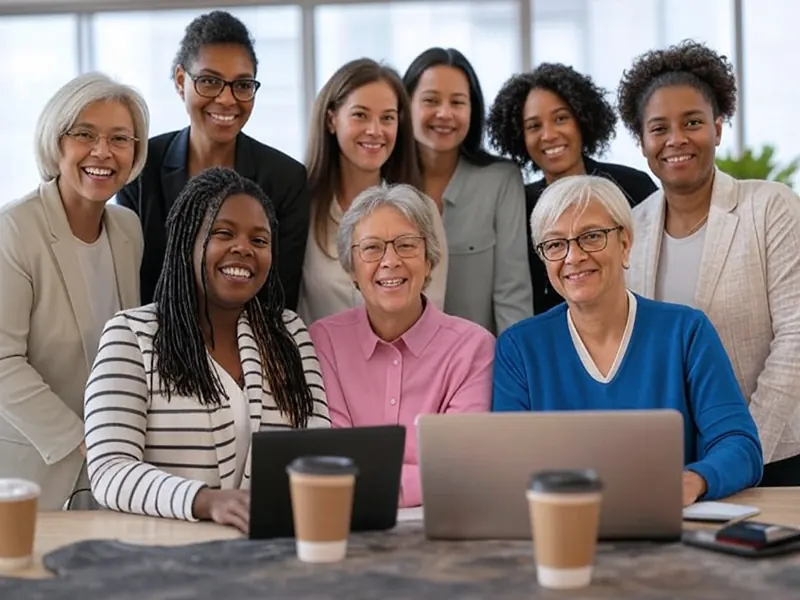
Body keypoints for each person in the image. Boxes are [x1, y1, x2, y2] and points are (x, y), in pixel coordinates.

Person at [84, 167, 330, 533]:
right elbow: (110, 469)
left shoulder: (290, 334)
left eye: (259, 241)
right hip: (162, 557)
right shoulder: (132, 335)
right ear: (187, 244)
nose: (244, 248)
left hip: (270, 551)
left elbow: (318, 453)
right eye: (223, 233)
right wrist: (206, 502)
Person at [492, 175, 763, 505]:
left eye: (591, 237)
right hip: (561, 523)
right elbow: (508, 466)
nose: (573, 257)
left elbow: (739, 444)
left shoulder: (687, 331)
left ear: (625, 242)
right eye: (555, 244)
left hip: (668, 525)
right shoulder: (519, 349)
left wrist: (694, 481)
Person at [618, 40, 800, 486]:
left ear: (718, 128)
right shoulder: (631, 229)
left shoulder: (770, 207)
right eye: (659, 128)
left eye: (693, 122)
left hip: (776, 457)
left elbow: (796, 339)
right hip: (676, 469)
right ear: (642, 142)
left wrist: (738, 453)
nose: (676, 139)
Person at [0, 72, 148, 510]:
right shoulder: (14, 230)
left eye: (120, 138)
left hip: (113, 472)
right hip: (34, 469)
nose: (103, 151)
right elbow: (2, 364)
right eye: (84, 134)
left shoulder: (128, 228)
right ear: (56, 142)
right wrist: (86, 441)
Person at [309, 183, 494, 508]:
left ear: (429, 261)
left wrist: (372, 485)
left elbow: (460, 465)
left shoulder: (474, 349)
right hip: (348, 521)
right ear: (351, 268)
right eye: (371, 248)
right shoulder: (323, 342)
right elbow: (331, 455)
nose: (390, 261)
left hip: (443, 521)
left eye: (406, 245)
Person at [117, 10, 310, 310]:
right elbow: (131, 286)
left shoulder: (285, 179)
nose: (227, 99)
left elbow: (279, 299)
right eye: (209, 81)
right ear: (181, 81)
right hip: (154, 344)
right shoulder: (142, 167)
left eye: (243, 85)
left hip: (250, 348)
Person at [487, 63, 657, 314]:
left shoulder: (632, 186)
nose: (549, 134)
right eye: (534, 126)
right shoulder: (517, 205)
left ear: (582, 120)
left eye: (560, 118)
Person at [298, 58, 448, 325]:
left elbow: (431, 318)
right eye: (360, 115)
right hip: (316, 364)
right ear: (332, 119)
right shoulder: (300, 208)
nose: (375, 130)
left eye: (387, 118)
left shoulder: (422, 211)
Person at [403, 47, 532, 334]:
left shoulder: (501, 180)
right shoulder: (385, 183)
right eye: (430, 100)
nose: (444, 113)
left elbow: (513, 295)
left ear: (473, 110)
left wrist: (515, 374)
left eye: (458, 102)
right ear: (406, 105)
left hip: (479, 365)